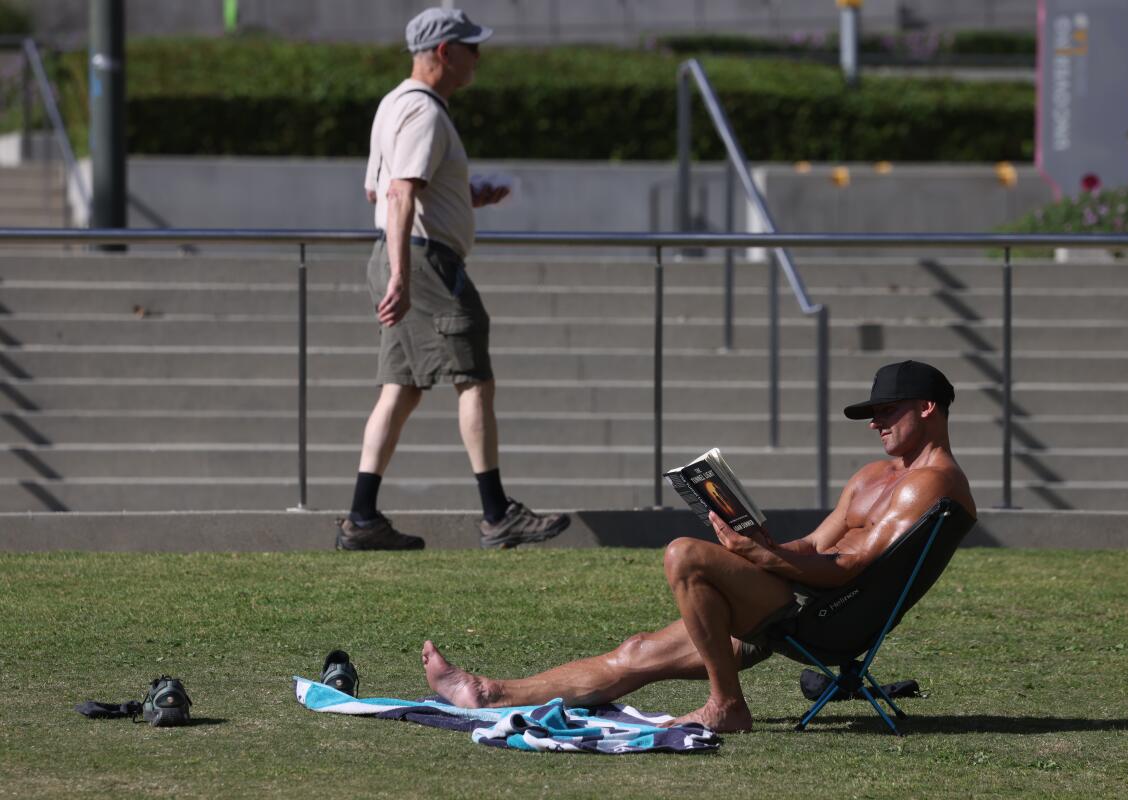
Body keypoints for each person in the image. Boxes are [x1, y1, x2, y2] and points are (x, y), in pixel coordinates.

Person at [420, 360, 976, 732]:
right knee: (638, 649)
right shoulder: (874, 474)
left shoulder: (931, 483)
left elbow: (848, 566)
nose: (876, 421)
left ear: (928, 408)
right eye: (872, 413)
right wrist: (754, 541)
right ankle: (489, 693)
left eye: (888, 410)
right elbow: (813, 544)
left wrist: (755, 555)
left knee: (684, 554)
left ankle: (727, 704)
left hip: (829, 619)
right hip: (793, 598)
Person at [336, 7, 570, 552]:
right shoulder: (425, 113)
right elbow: (398, 193)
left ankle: (361, 517)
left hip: (403, 253)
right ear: (445, 51)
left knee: (402, 387)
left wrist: (463, 198)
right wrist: (403, 273)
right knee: (474, 378)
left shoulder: (394, 103)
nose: (478, 57)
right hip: (425, 262)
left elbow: (383, 189)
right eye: (470, 46)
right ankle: (496, 514)